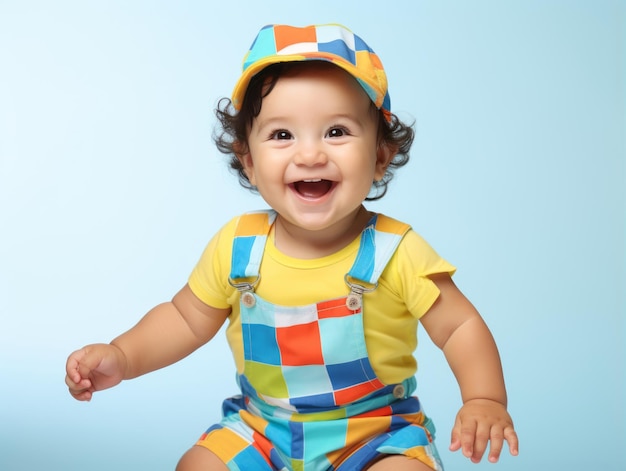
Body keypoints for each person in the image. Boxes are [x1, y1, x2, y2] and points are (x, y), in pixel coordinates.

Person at [65, 23, 518, 470]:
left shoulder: (396, 251)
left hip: (375, 434)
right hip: (263, 430)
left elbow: (460, 327)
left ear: (380, 155)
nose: (310, 155)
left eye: (336, 131)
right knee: (197, 466)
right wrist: (123, 356)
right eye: (282, 135)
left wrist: (484, 398)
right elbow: (184, 318)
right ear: (249, 160)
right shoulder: (238, 246)